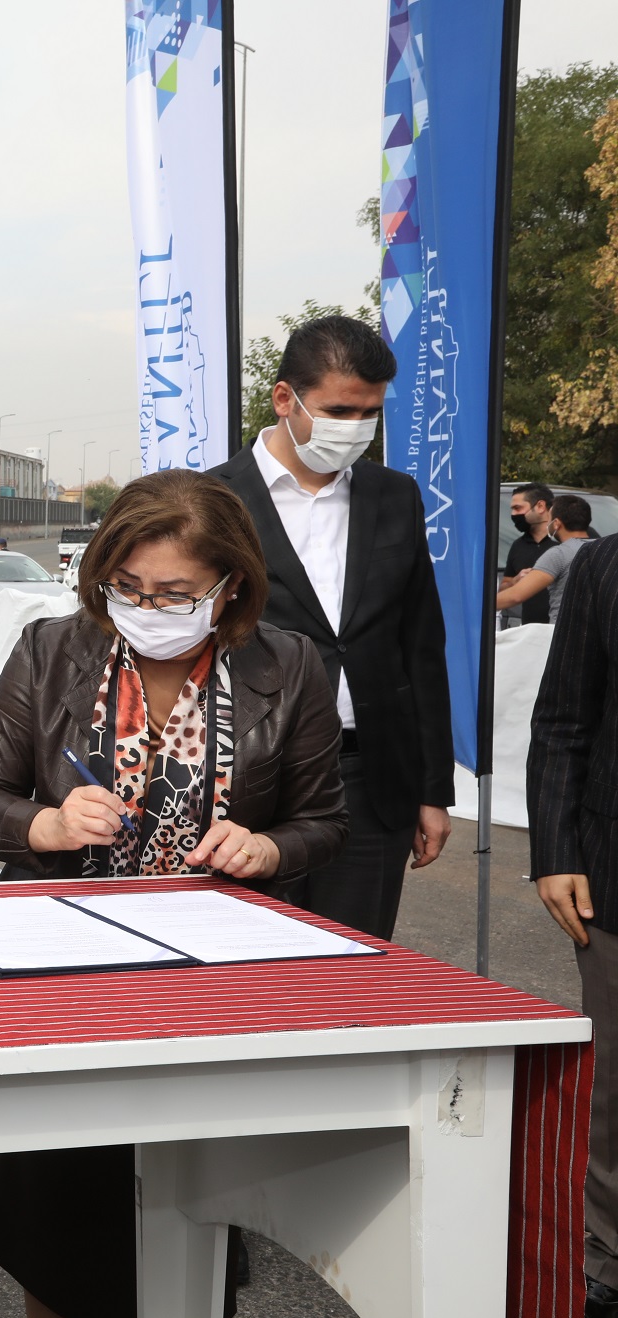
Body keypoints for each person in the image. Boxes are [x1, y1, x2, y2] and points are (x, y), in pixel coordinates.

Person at [0, 468, 347, 1318]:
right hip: (65, 973)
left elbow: (324, 821)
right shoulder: (51, 650)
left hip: (207, 981)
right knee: (59, 1208)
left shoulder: (288, 666)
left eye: (173, 593)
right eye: (125, 586)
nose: (144, 607)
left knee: (188, 1197)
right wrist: (49, 823)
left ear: (230, 586)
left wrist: (269, 847)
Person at [210, 313, 453, 941]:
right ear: (285, 399)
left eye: (369, 414)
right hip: (245, 775)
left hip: (369, 780)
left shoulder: (395, 496)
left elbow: (421, 648)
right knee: (240, 962)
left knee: (350, 967)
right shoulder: (213, 501)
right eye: (339, 411)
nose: (355, 429)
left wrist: (433, 790)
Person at [527, 534, 618, 1318]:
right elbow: (563, 718)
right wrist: (555, 850)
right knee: (612, 1090)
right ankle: (604, 1261)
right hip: (611, 882)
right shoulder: (602, 566)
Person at [499, 492, 595, 619]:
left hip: (563, 628)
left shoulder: (559, 554)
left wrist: (480, 605)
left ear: (556, 524)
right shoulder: (605, 549)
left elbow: (516, 596)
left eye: (549, 518)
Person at [504, 483, 560, 626]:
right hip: (529, 630)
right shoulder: (518, 545)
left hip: (562, 629)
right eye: (512, 509)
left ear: (540, 506)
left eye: (518, 508)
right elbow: (504, 586)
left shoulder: (564, 542)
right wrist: (515, 581)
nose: (513, 514)